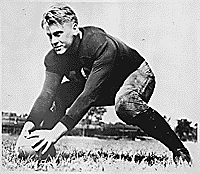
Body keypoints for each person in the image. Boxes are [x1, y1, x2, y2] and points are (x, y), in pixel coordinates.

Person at [15, 3, 192, 166]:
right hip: (101, 84)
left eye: (58, 33)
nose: (53, 41)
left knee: (125, 104)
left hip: (134, 74)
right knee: (59, 95)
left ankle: (179, 150)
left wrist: (55, 134)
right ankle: (43, 149)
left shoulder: (99, 43)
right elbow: (46, 95)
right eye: (49, 36)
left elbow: (89, 95)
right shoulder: (53, 58)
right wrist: (28, 128)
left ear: (75, 27)